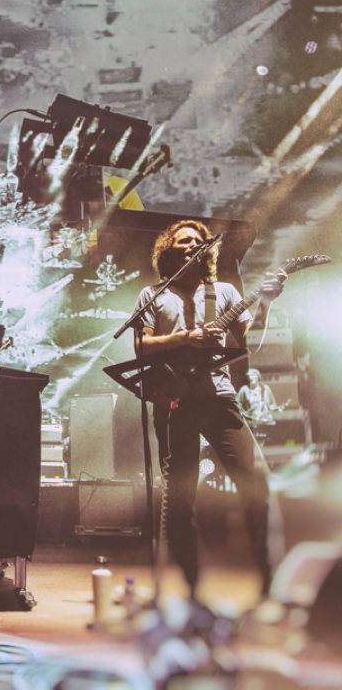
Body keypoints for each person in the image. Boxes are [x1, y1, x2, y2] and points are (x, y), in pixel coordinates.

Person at [134, 220, 286, 601]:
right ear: (168, 250)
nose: (192, 246)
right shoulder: (153, 295)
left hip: (219, 396)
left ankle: (269, 578)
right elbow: (141, 346)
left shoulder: (223, 292)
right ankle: (190, 586)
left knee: (257, 484)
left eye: (198, 242)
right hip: (173, 399)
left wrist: (266, 302)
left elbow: (248, 338)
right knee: (181, 497)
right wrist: (185, 337)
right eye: (184, 241)